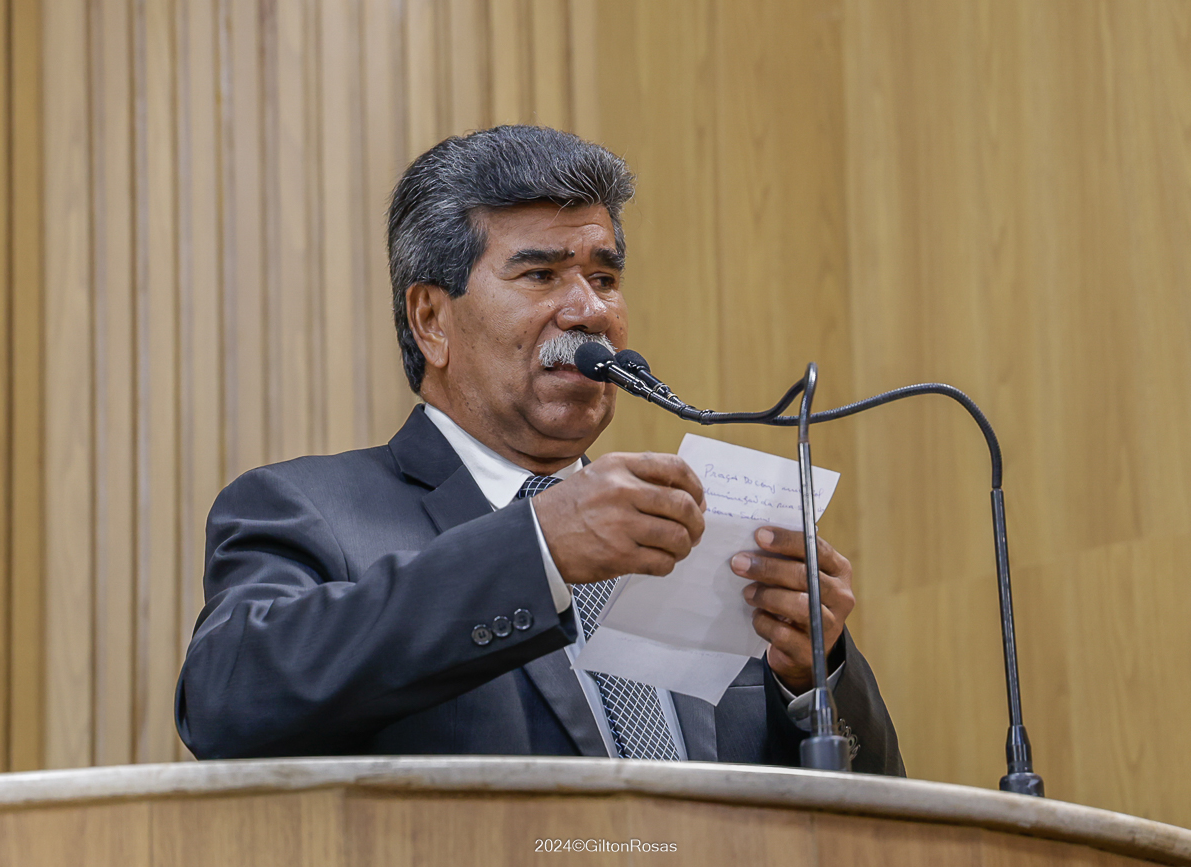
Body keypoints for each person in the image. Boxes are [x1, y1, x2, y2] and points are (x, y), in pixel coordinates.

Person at [175, 125, 903, 774]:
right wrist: (538, 550)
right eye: (540, 274)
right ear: (431, 320)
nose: (590, 310)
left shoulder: (688, 539)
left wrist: (811, 675)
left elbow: (869, 817)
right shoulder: (306, 510)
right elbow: (226, 701)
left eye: (604, 277)